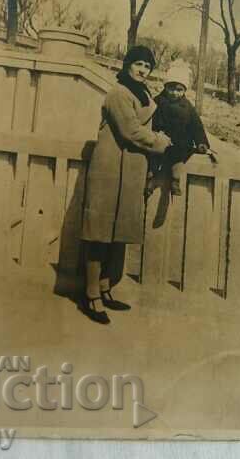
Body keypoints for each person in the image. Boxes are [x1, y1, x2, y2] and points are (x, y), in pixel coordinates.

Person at [80, 45, 172, 324]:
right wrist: (161, 142)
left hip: (129, 170)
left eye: (147, 66)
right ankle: (91, 294)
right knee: (99, 232)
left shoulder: (140, 93)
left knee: (117, 230)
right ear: (127, 65)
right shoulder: (118, 92)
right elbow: (130, 130)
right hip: (110, 168)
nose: (143, 70)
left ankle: (105, 288)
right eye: (138, 64)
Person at [149, 60, 210, 196]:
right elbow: (149, 117)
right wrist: (155, 132)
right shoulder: (158, 101)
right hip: (161, 136)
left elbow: (196, 125)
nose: (175, 93)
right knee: (156, 155)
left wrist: (201, 142)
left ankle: (175, 181)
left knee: (179, 156)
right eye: (171, 89)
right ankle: (152, 179)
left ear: (184, 91)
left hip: (180, 141)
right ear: (165, 87)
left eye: (179, 90)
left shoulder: (187, 106)